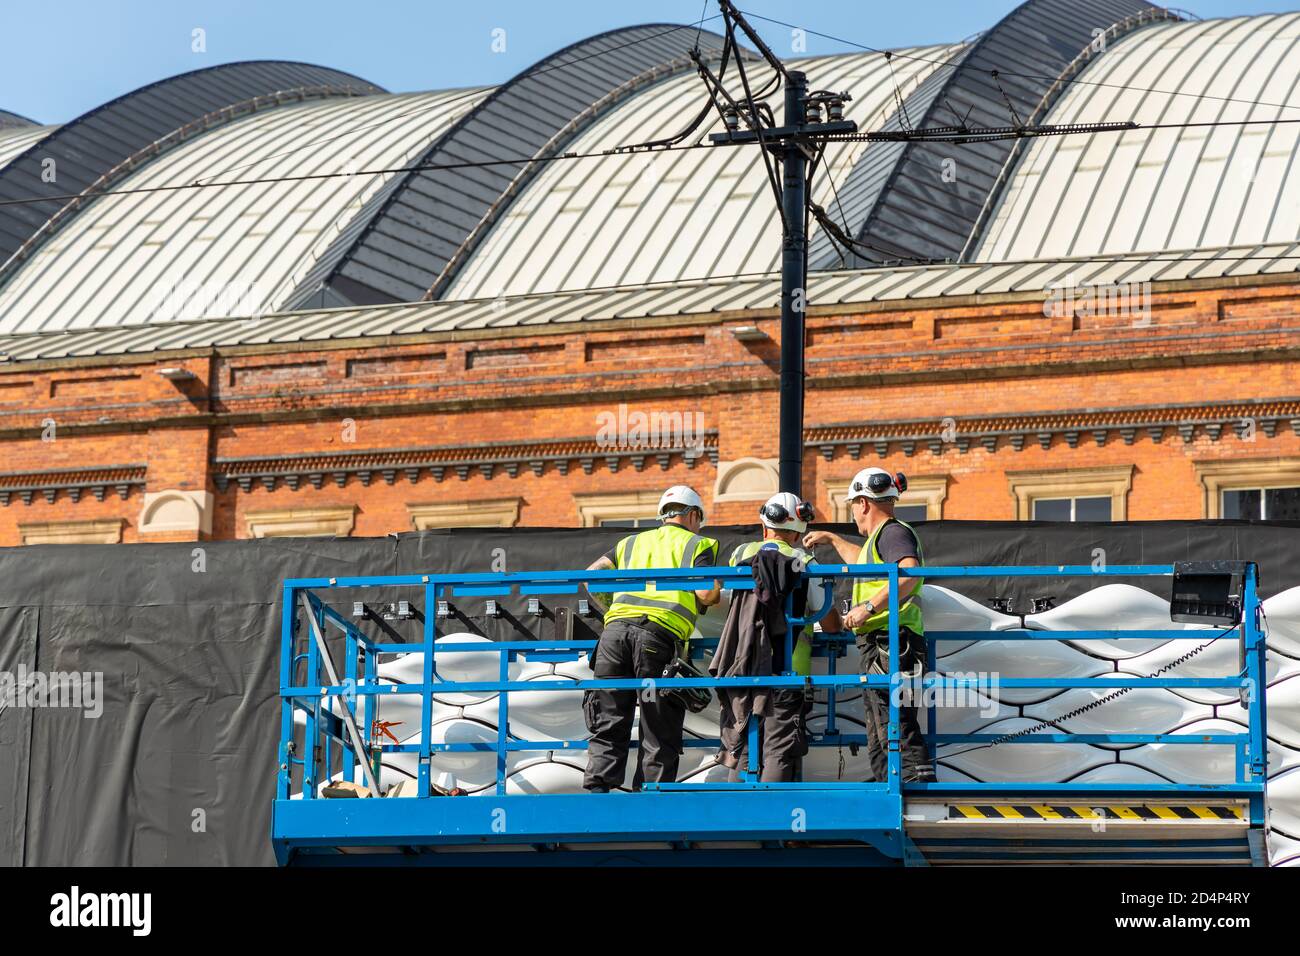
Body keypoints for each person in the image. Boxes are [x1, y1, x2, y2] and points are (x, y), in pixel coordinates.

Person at [581, 485, 720, 792]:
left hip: (613, 636)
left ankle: (597, 791)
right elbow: (707, 593)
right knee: (658, 723)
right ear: (694, 515)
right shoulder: (697, 544)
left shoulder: (631, 542)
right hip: (656, 638)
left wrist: (612, 611)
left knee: (609, 716)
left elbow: (591, 576)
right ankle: (651, 796)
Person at [803, 468, 936, 783]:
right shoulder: (881, 539)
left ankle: (918, 789)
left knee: (895, 720)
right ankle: (888, 785)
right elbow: (864, 561)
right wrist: (833, 539)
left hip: (892, 642)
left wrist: (868, 606)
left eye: (852, 505)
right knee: (880, 727)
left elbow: (908, 573)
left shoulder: (893, 532)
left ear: (863, 503)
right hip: (882, 644)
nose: (853, 514)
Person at [719, 492, 842, 782]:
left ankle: (737, 816)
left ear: (764, 528)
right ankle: (773, 816)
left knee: (744, 743)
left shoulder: (740, 555)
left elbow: (723, 599)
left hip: (744, 666)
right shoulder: (804, 560)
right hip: (789, 671)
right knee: (779, 748)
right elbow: (831, 622)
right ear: (799, 534)